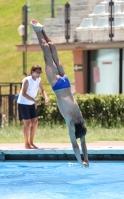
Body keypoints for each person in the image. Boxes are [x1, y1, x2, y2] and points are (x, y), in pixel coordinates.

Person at [30, 19, 89, 167]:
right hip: (57, 85)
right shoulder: (70, 122)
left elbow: (83, 142)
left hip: (66, 82)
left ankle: (42, 30)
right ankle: (37, 30)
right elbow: (76, 146)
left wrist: (87, 159)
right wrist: (81, 162)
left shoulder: (80, 119)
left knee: (53, 50)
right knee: (47, 54)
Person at [17, 65, 49, 149]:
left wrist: (46, 98)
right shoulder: (27, 80)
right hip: (23, 103)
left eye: (40, 72)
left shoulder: (38, 80)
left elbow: (42, 90)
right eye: (37, 72)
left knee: (35, 122)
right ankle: (26, 143)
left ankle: (31, 142)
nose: (39, 74)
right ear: (32, 72)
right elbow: (23, 93)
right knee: (27, 123)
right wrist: (34, 100)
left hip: (31, 103)